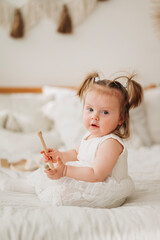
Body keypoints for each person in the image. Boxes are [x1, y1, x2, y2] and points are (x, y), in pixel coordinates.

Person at [28, 71, 143, 208]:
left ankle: (43, 189)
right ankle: (28, 186)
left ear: (120, 118)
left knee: (62, 190)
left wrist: (65, 171)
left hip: (104, 189)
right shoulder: (89, 135)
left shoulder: (110, 143)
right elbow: (77, 154)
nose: (95, 116)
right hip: (89, 178)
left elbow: (97, 175)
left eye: (105, 112)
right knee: (49, 176)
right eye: (90, 109)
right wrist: (60, 155)